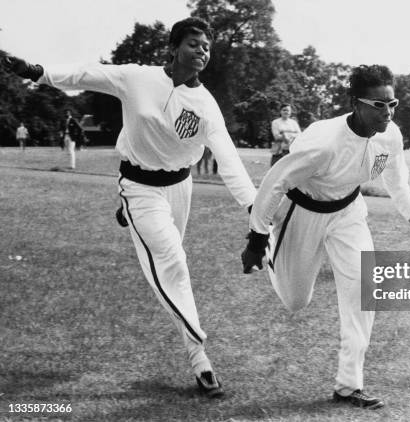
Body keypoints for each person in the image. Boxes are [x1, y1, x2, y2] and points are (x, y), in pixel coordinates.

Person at [3, 17, 256, 398]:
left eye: (207, 47)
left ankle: (131, 217)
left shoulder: (206, 106)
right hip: (139, 186)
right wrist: (38, 72)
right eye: (194, 44)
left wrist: (255, 212)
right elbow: (88, 74)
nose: (202, 51)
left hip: (179, 188)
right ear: (174, 47)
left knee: (172, 259)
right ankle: (200, 357)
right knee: (173, 261)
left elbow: (230, 161)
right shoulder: (136, 77)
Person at [241, 65, 410, 409]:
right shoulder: (323, 143)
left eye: (393, 104)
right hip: (305, 212)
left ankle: (349, 385)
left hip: (349, 213)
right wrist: (257, 239)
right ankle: (273, 244)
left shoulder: (390, 136)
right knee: (295, 300)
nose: (388, 112)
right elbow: (276, 182)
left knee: (365, 287)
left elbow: (396, 181)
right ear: (355, 104)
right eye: (379, 105)